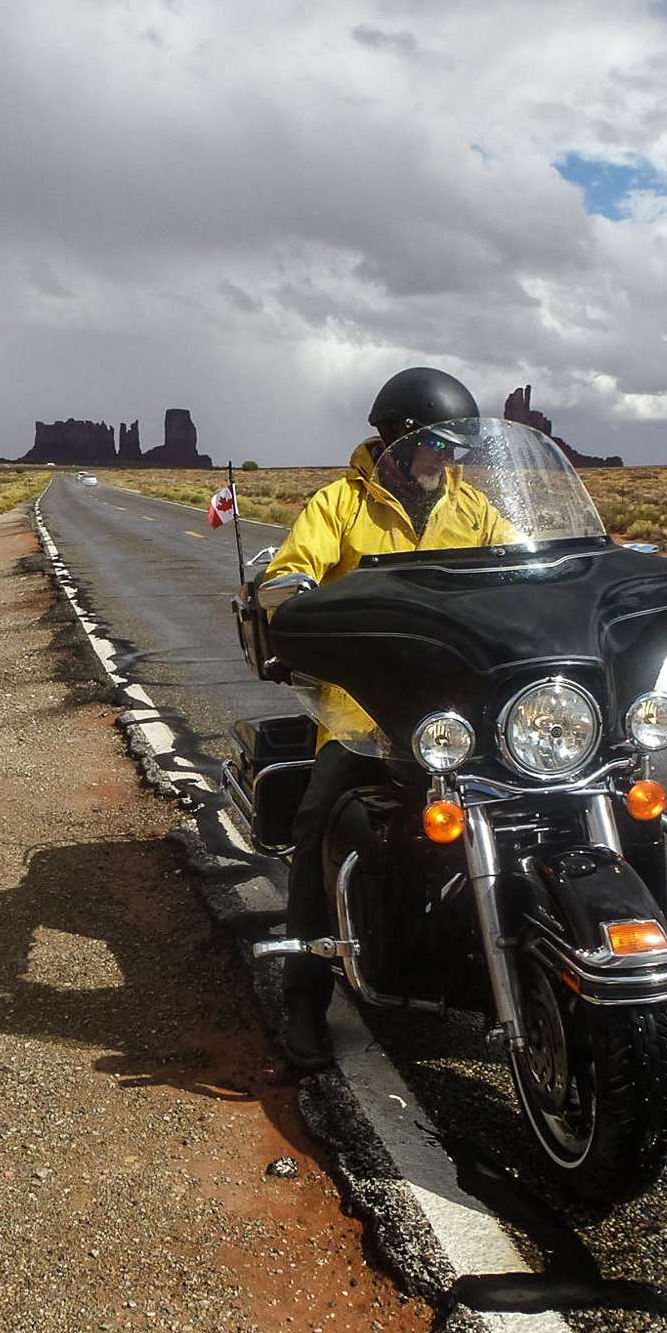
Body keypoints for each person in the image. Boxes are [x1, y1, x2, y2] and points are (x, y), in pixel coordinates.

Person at [260, 366, 516, 1068]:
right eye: (438, 445)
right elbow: (290, 571)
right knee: (318, 820)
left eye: (457, 447)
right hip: (363, 713)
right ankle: (304, 996)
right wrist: (289, 598)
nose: (449, 459)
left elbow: (523, 572)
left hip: (462, 714)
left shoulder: (476, 512)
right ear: (397, 440)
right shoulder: (340, 504)